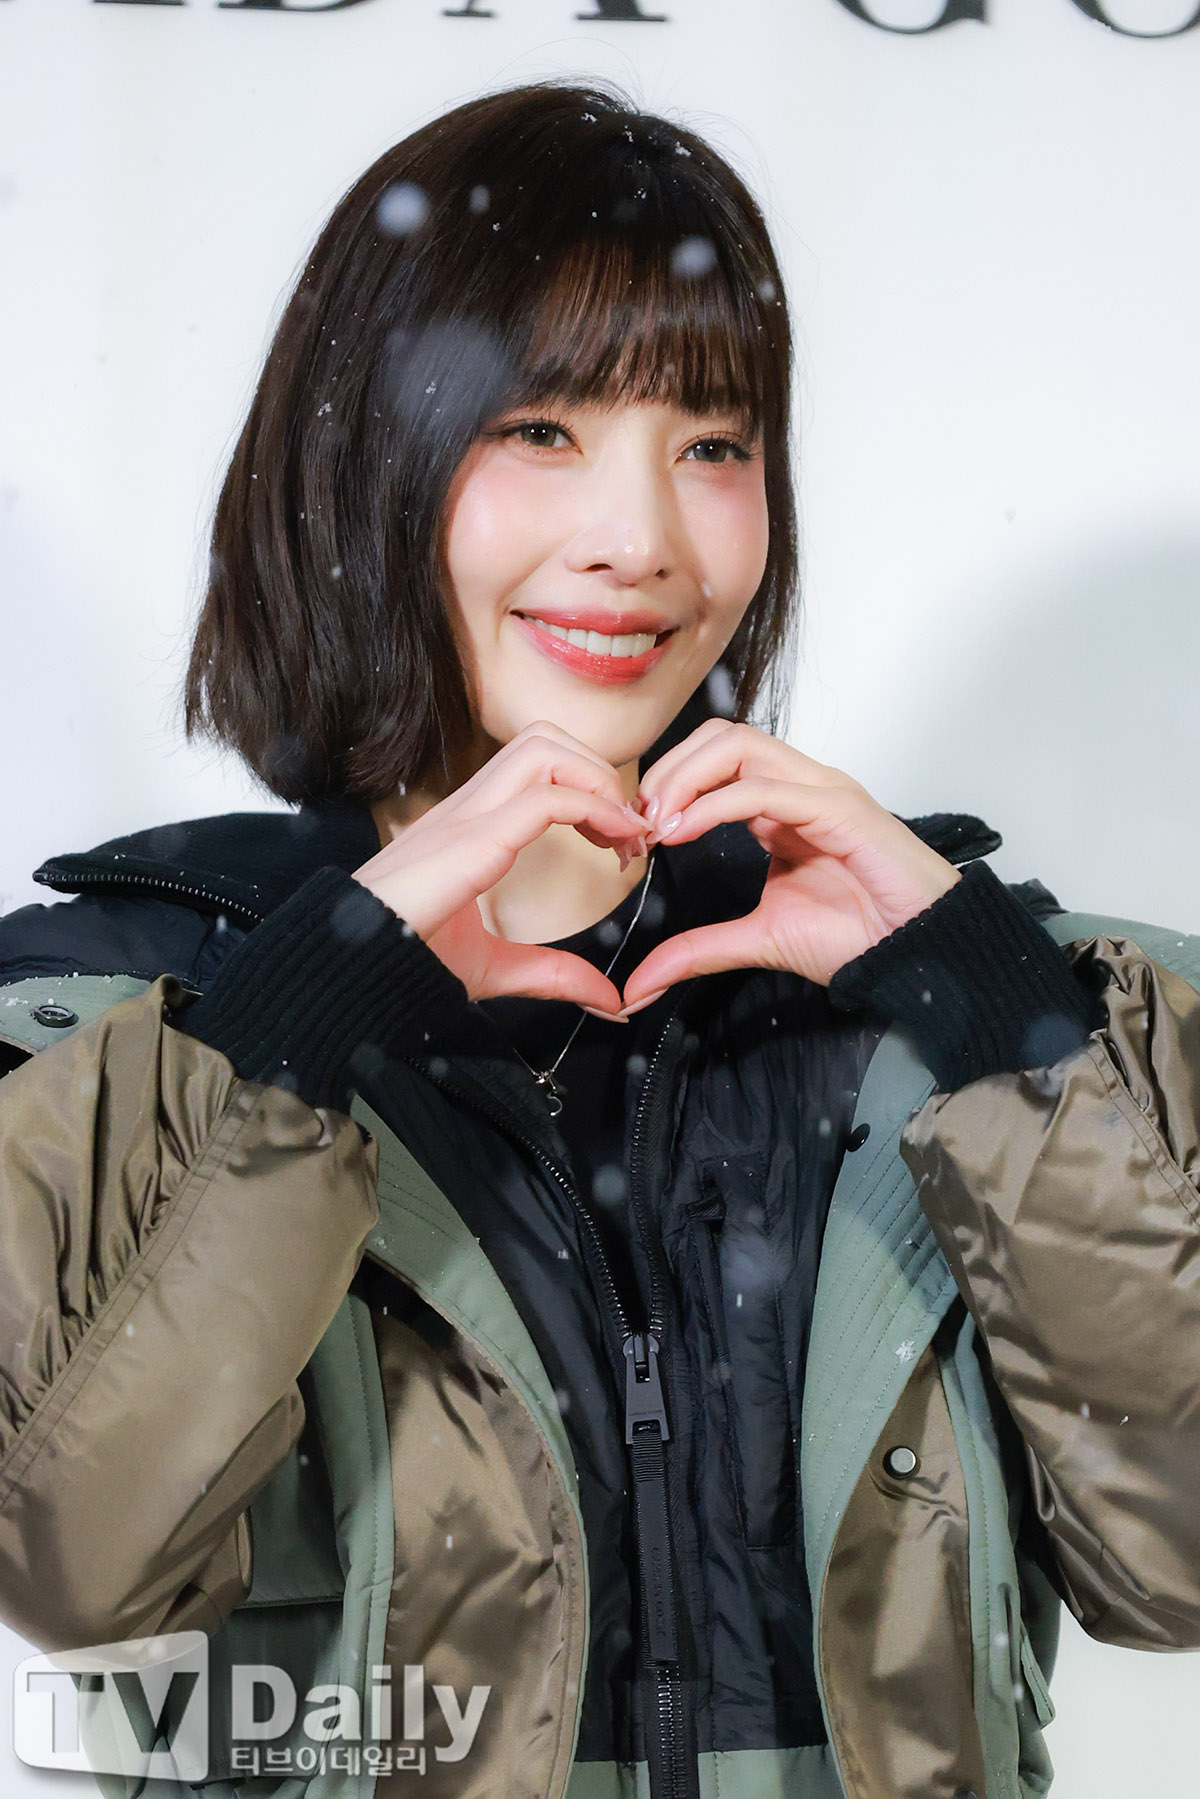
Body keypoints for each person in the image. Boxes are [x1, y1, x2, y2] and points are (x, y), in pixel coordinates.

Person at [1, 78, 1199, 1799]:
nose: (640, 543)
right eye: (542, 431)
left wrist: (993, 1009)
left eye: (713, 445)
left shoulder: (943, 1002)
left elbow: (1182, 1555)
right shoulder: (124, 1015)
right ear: (365, 460)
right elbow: (63, 1552)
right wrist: (310, 1009)